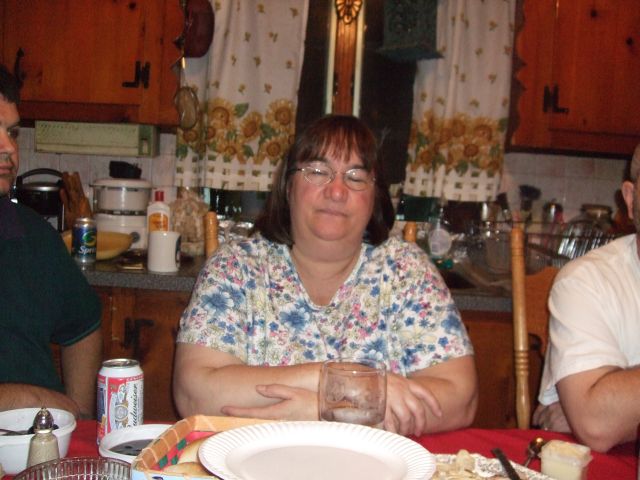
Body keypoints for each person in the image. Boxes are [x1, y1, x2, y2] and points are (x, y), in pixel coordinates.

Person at [173, 114, 478, 436]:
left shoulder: (406, 270)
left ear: (374, 196)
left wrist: (328, 413)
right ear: (288, 186)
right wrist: (335, 383)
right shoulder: (236, 267)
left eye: (356, 177)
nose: (336, 191)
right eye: (318, 172)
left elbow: (461, 398)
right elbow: (194, 394)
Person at [0, 64, 102, 419]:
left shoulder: (33, 235)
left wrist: (79, 421)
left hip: (44, 442)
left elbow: (83, 326)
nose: (9, 148)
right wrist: (26, 398)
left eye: (12, 132)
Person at [534, 143, 640, 452]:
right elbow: (598, 423)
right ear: (631, 199)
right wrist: (609, 413)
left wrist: (627, 414)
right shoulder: (587, 282)